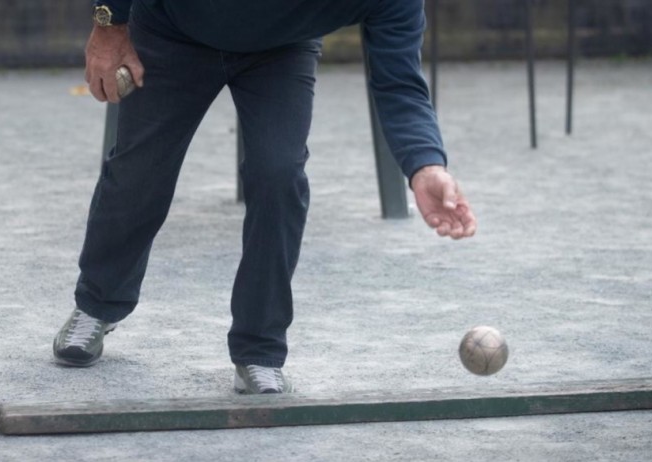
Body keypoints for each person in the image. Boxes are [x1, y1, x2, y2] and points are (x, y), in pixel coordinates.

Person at [53, 0, 477, 394]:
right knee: (139, 172)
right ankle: (98, 304)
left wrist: (426, 166)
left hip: (280, 49)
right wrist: (110, 21)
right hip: (174, 28)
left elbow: (400, 81)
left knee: (280, 174)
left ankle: (259, 348)